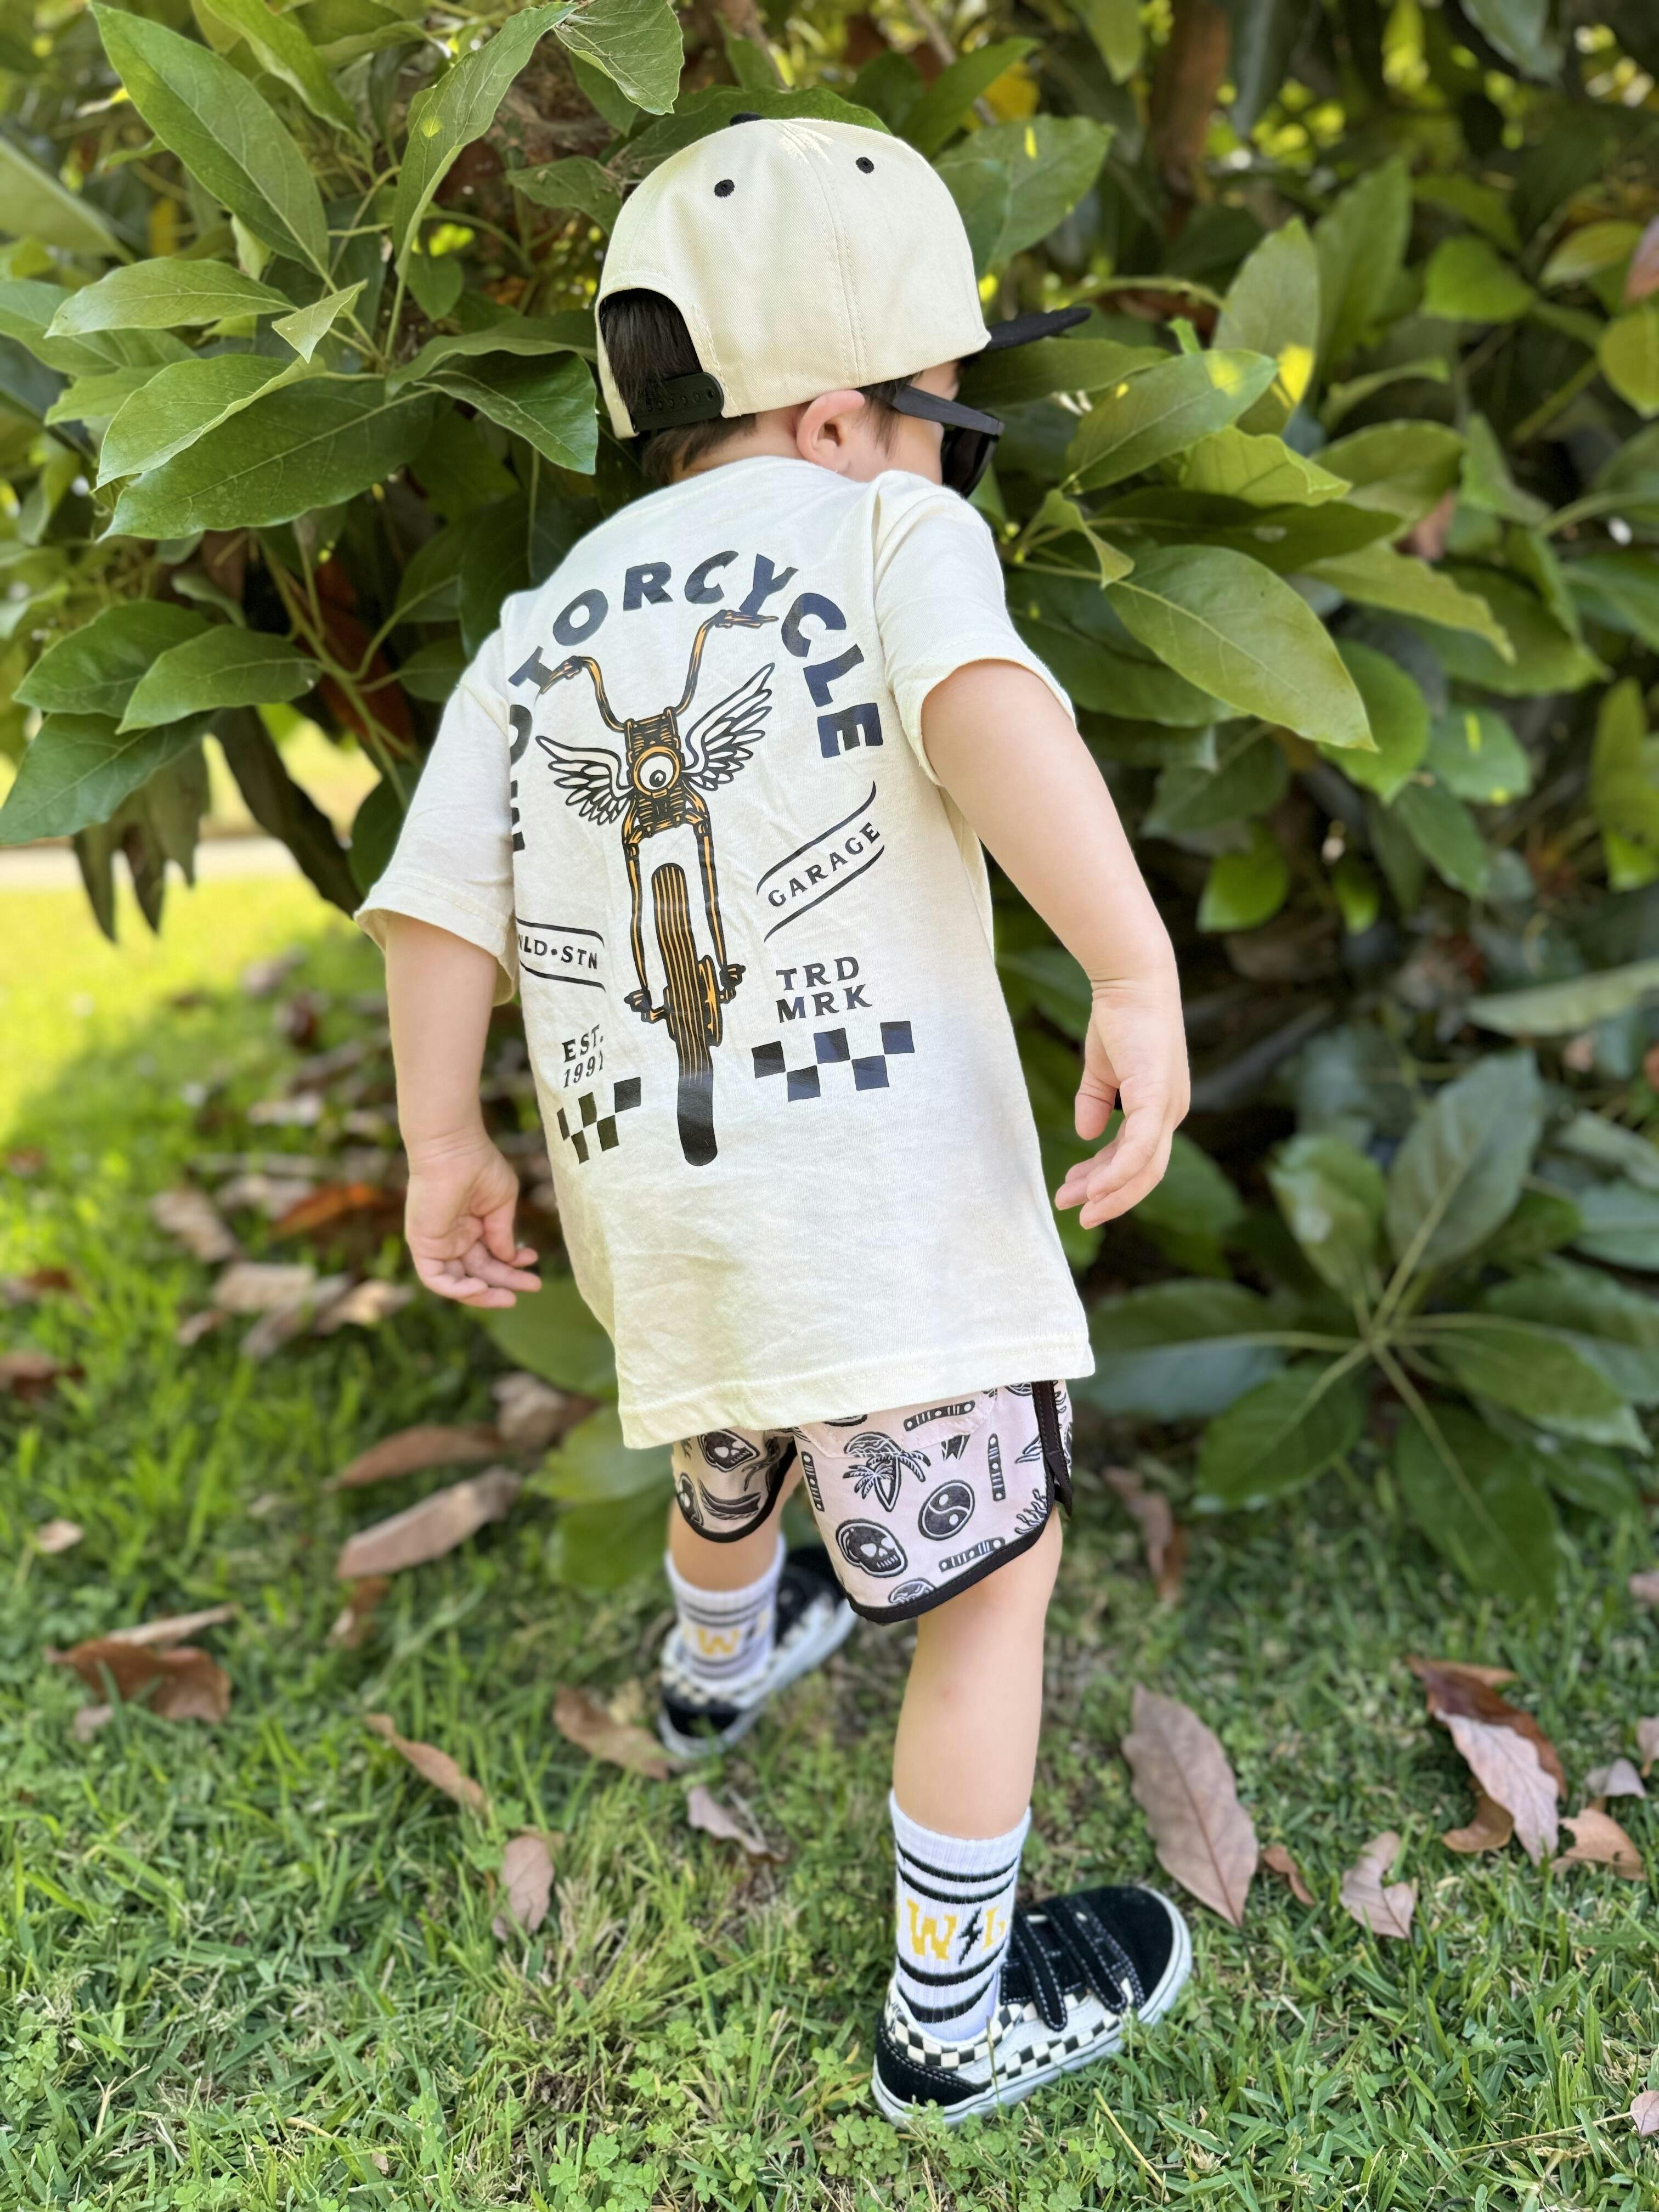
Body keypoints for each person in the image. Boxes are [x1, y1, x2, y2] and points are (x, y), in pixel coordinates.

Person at [359, 112, 1192, 2126]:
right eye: (949, 421)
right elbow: (990, 708)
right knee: (987, 1589)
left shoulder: (543, 624)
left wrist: (446, 1145)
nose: (949, 465)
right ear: (840, 420)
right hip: (887, 1221)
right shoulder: (892, 533)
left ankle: (712, 1676)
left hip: (669, 1206)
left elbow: (438, 898)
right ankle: (953, 2018)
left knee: (731, 1435)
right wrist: (1133, 968)